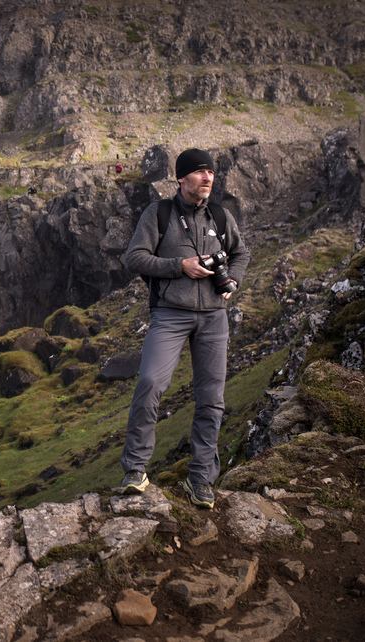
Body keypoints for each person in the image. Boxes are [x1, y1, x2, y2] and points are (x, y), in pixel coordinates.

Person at [118, 148, 250, 509]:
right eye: (199, 172)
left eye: (211, 172)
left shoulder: (221, 217)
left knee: (212, 399)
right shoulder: (158, 213)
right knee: (149, 383)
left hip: (213, 318)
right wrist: (181, 266)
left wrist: (233, 281)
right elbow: (134, 257)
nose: (208, 177)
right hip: (170, 315)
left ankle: (201, 480)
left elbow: (241, 253)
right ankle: (134, 470)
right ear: (182, 178)